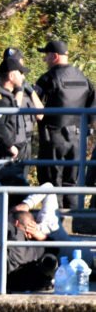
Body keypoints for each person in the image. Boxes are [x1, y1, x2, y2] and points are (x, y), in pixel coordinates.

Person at [34, 40, 96, 207]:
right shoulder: (83, 78)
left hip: (53, 137)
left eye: (46, 55)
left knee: (51, 182)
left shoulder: (48, 78)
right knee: (72, 182)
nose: (44, 59)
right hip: (77, 139)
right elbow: (92, 110)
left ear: (54, 56)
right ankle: (75, 221)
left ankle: (55, 224)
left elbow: (34, 107)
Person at [0, 58, 42, 177]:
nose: (23, 77)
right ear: (11, 76)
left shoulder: (6, 95)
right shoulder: (0, 97)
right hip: (1, 151)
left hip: (5, 149)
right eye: (20, 73)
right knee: (0, 184)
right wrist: (10, 146)